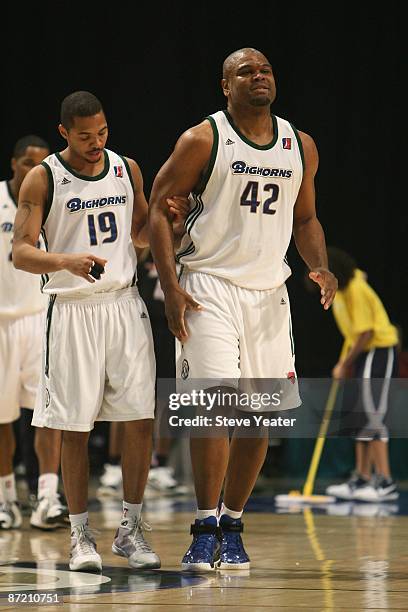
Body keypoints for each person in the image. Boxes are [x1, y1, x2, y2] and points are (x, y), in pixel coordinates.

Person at [148, 47, 337, 571]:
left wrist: (318, 266)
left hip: (267, 294)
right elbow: (158, 215)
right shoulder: (202, 139)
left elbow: (306, 219)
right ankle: (203, 525)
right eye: (245, 72)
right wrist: (170, 287)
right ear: (225, 86)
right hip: (208, 286)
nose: (259, 77)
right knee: (214, 410)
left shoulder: (300, 145)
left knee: (259, 418)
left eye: (266, 70)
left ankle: (232, 522)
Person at [12, 91, 161, 572]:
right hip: (71, 308)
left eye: (101, 132)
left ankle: (131, 529)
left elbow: (137, 234)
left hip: (124, 303)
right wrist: (66, 261)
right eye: (84, 136)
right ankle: (80, 536)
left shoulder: (126, 168)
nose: (96, 143)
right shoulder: (43, 177)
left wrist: (167, 225)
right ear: (64, 133)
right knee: (73, 426)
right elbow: (20, 252)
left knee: (139, 419)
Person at [0, 135, 68, 531]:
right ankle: (6, 498)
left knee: (46, 416)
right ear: (13, 164)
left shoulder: (52, 201)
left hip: (40, 318)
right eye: (27, 162)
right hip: (3, 322)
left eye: (41, 163)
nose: (34, 170)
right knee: (3, 418)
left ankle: (46, 498)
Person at [325, 247, 399, 502]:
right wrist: (342, 363)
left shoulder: (354, 288)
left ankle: (385, 482)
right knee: (360, 415)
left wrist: (345, 363)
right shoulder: (342, 291)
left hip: (379, 349)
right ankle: (363, 477)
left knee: (373, 414)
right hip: (363, 352)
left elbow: (366, 332)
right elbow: (353, 334)